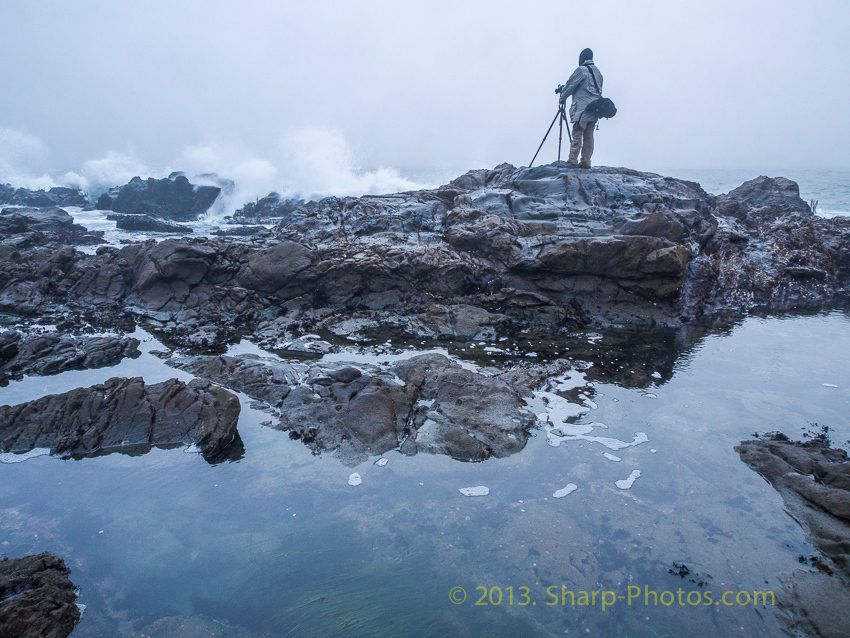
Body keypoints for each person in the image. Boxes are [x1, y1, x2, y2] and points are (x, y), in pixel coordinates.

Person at [559, 48, 603, 169]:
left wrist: (562, 97)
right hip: (594, 109)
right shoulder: (598, 72)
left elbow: (570, 85)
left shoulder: (581, 71)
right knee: (589, 136)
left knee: (577, 134)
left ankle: (572, 160)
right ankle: (586, 161)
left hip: (582, 110)